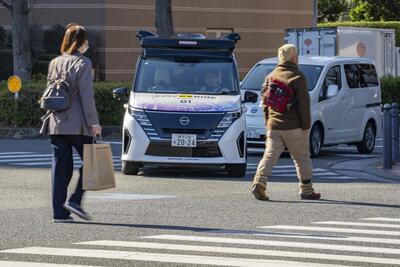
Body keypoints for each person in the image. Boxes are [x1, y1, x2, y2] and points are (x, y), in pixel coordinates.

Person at [40, 23, 102, 222]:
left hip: (56, 121)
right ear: (80, 42)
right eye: (85, 40)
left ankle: (59, 212)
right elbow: (86, 95)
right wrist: (94, 123)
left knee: (60, 168)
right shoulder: (83, 63)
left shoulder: (54, 62)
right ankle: (75, 199)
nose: (87, 44)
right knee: (94, 162)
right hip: (78, 123)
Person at [251, 44, 321, 201]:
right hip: (293, 127)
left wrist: (267, 123)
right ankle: (307, 190)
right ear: (294, 58)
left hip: (273, 126)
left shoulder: (271, 76)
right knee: (301, 158)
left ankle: (259, 182)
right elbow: (304, 105)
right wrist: (306, 127)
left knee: (269, 155)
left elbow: (265, 103)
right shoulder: (297, 76)